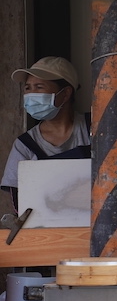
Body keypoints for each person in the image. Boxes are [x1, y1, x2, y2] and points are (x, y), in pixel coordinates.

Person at [2, 57, 91, 211]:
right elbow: (19, 202)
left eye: (39, 87)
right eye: (28, 88)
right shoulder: (24, 145)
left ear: (65, 94)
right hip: (48, 230)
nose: (31, 94)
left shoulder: (95, 127)